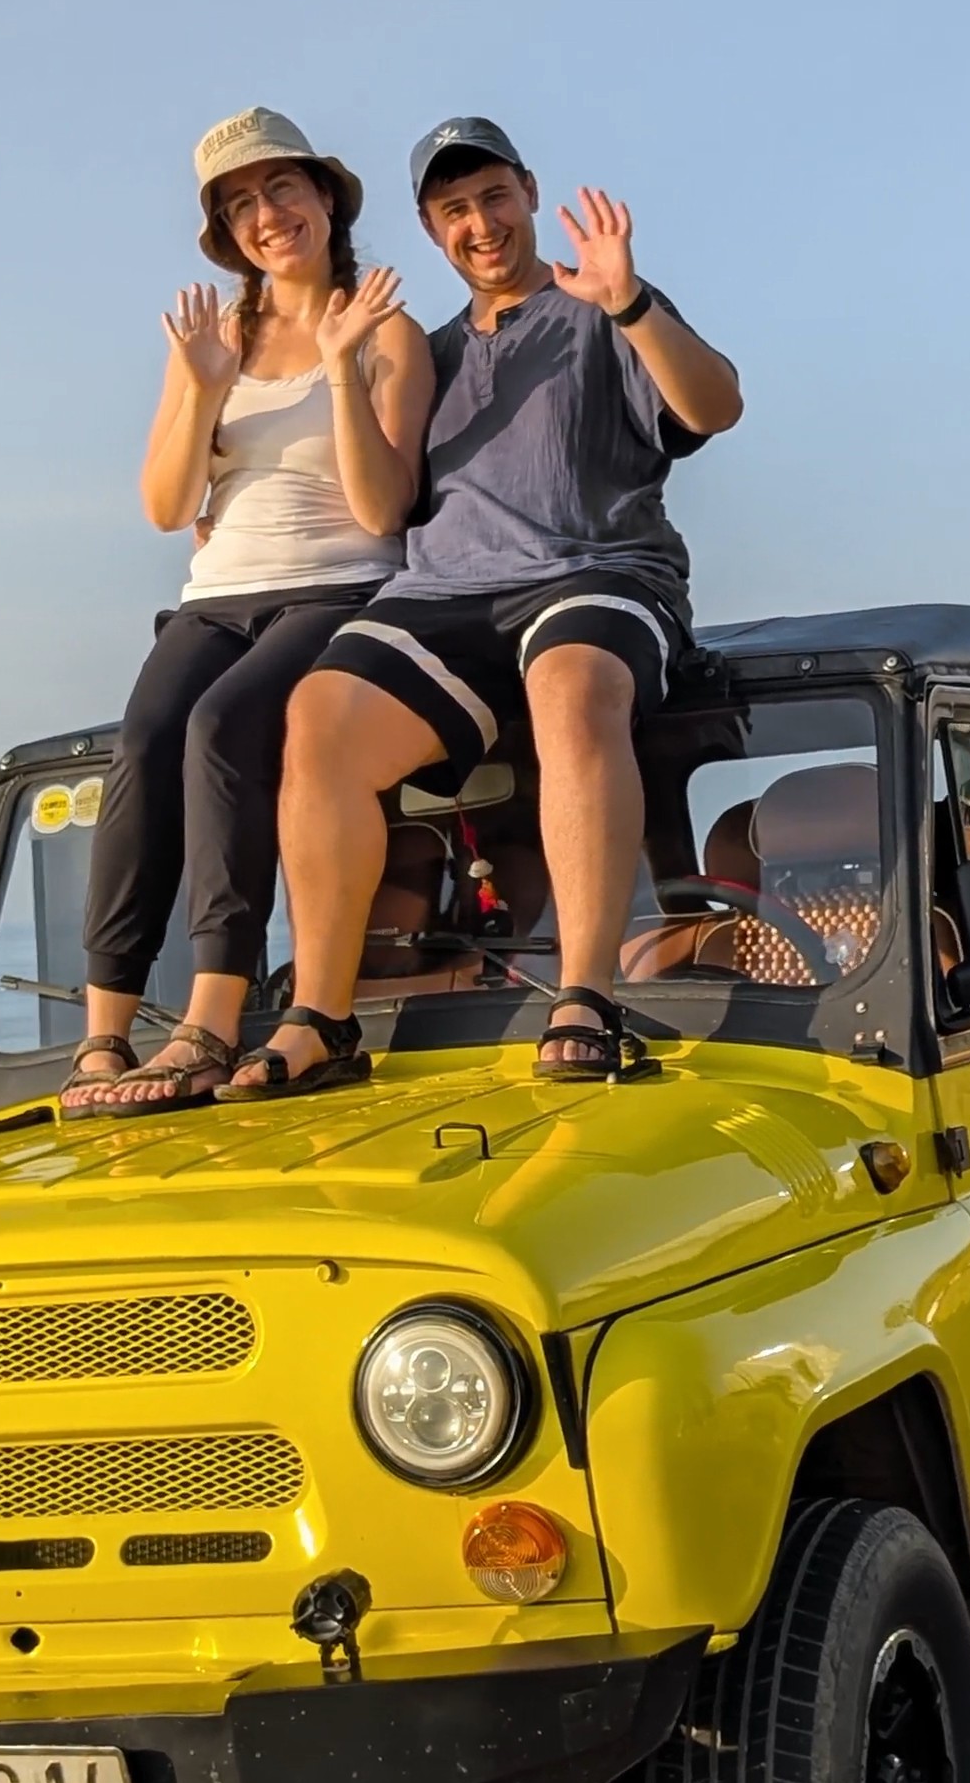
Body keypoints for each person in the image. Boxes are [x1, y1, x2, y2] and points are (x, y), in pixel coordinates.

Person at [223, 116, 744, 1096]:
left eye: (494, 197)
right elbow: (380, 497)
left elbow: (716, 406)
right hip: (447, 590)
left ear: (531, 193)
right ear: (432, 231)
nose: (481, 223)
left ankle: (586, 994)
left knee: (572, 684)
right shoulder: (428, 352)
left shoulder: (606, 309)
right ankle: (321, 1017)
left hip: (597, 572)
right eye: (455, 209)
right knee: (318, 717)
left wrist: (631, 304)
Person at [62, 108, 432, 1117]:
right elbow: (166, 507)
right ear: (226, 235)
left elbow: (382, 508)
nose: (267, 215)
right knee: (142, 743)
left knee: (225, 729)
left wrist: (346, 364)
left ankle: (213, 1019)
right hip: (217, 592)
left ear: (324, 199)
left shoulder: (386, 327)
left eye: (281, 190)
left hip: (339, 585)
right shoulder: (216, 339)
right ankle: (105, 1035)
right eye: (240, 204)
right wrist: (198, 387)